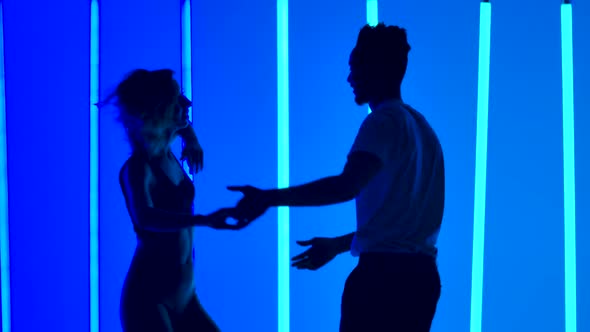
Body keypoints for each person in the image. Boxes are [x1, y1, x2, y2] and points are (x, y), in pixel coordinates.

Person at [228, 23, 444, 332]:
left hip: (382, 282)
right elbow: (400, 232)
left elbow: (346, 186)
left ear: (376, 69)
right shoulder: (424, 130)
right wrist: (339, 245)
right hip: (421, 281)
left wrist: (269, 198)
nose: (350, 78)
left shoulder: (382, 121)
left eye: (355, 67)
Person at [103, 69, 241, 332]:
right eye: (178, 100)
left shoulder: (167, 153)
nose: (187, 103)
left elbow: (183, 126)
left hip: (186, 298)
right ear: (159, 112)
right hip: (149, 301)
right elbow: (145, 216)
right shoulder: (138, 168)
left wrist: (193, 139)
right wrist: (204, 220)